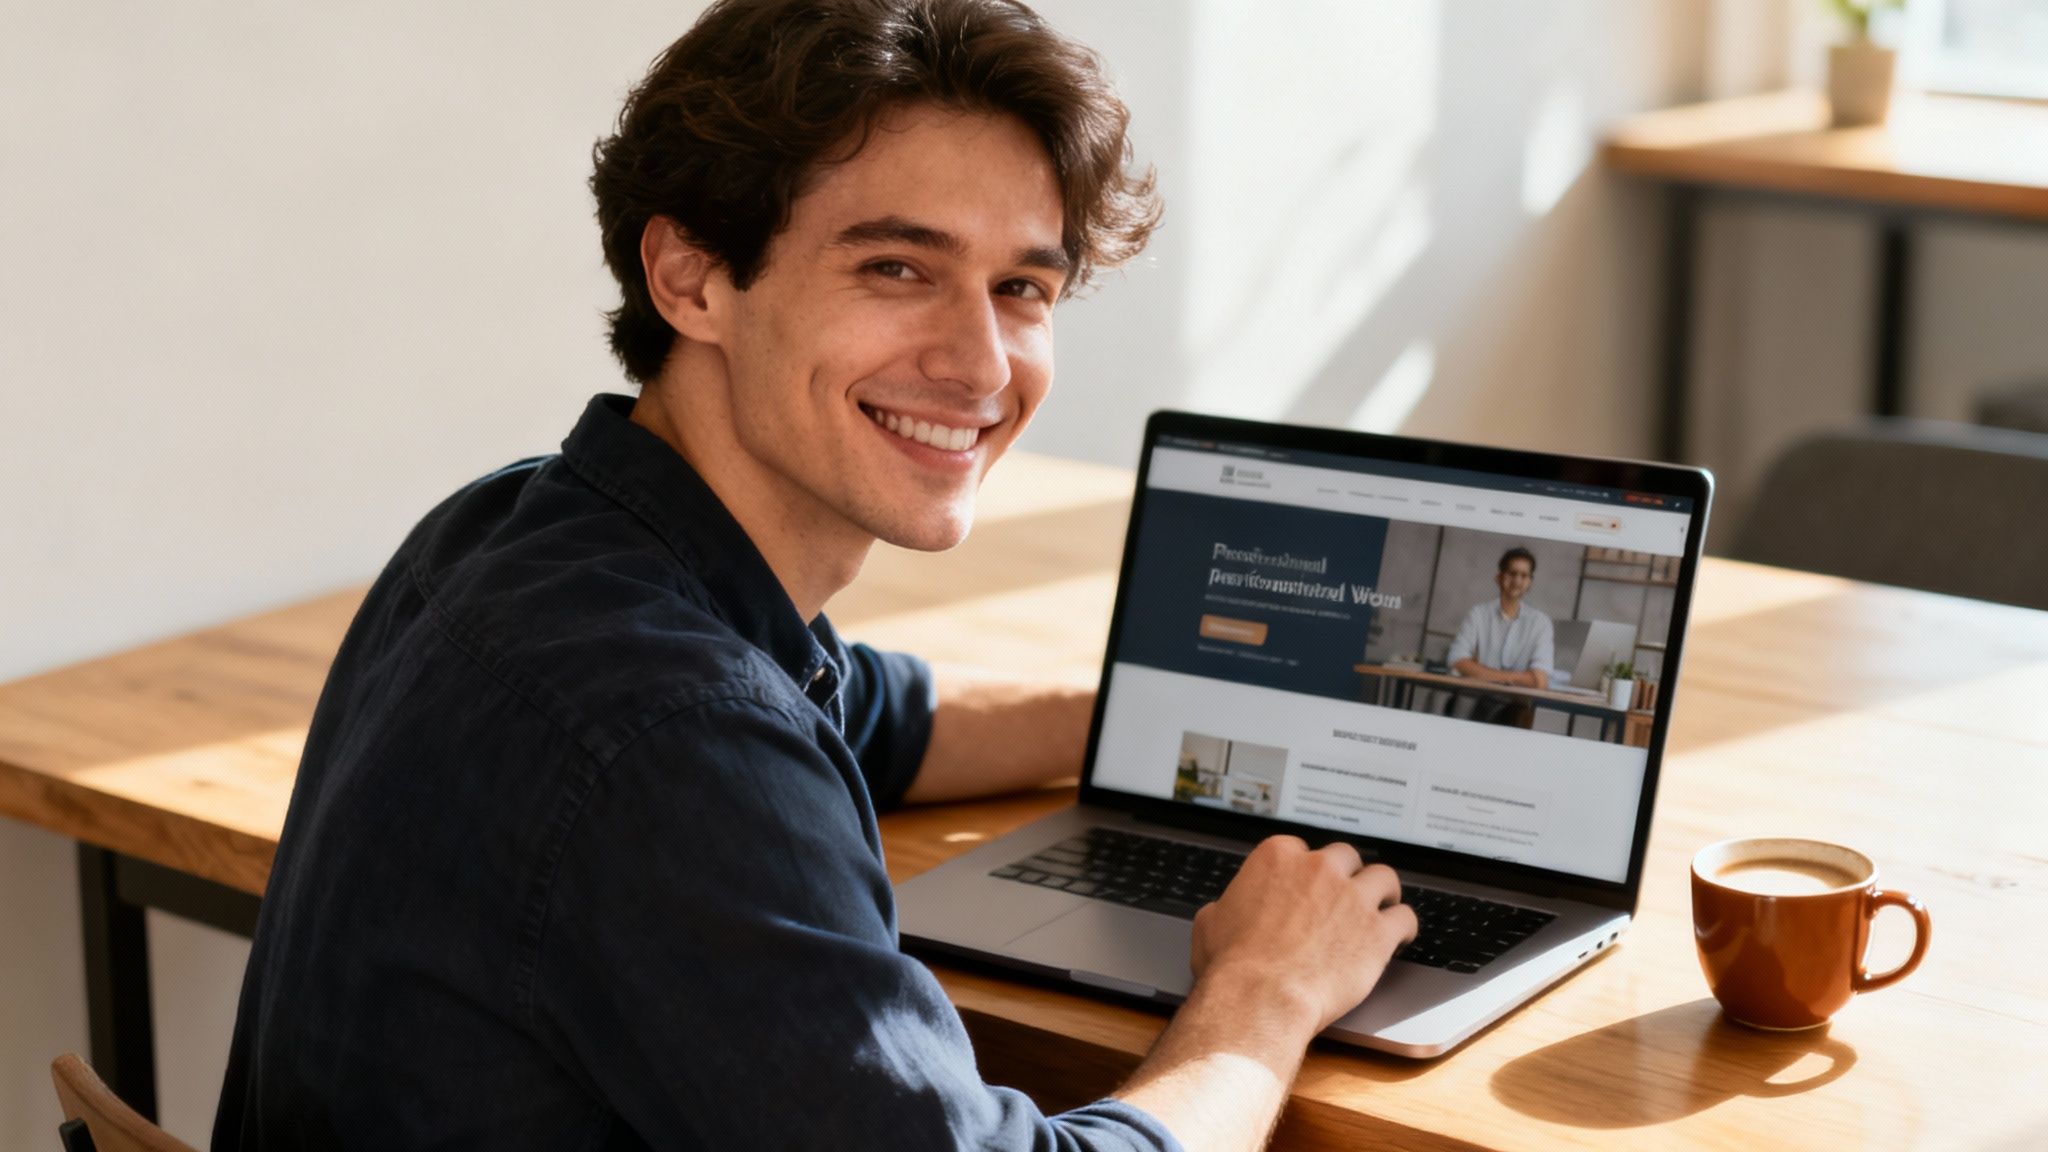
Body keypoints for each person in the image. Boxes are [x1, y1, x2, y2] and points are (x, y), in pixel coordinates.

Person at [213, 3, 1417, 1150]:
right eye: (896, 268)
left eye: (1021, 289)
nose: (979, 363)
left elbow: (867, 712)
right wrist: (1265, 990)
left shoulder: (512, 529)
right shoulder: (677, 740)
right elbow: (711, 744)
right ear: (689, 278)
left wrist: (1166, 728)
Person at [1445, 547, 1555, 726]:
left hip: (1516, 712)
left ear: (1530, 582)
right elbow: (1456, 659)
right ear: (1499, 577)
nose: (1517, 581)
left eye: (1524, 575)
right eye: (1512, 573)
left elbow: (1540, 680)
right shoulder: (1478, 614)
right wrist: (1517, 678)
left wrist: (1481, 672)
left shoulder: (1540, 623)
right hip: (1474, 705)